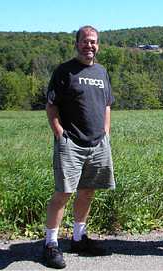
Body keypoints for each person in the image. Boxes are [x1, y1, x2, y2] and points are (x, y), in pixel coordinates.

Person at [43, 25, 115, 269]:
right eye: (85, 41)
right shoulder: (65, 71)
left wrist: (105, 132)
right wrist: (60, 135)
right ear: (77, 43)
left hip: (97, 143)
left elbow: (107, 104)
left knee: (87, 191)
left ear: (98, 45)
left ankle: (78, 238)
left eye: (93, 41)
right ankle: (51, 244)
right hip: (71, 142)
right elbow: (51, 106)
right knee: (63, 193)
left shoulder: (102, 72)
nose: (89, 45)